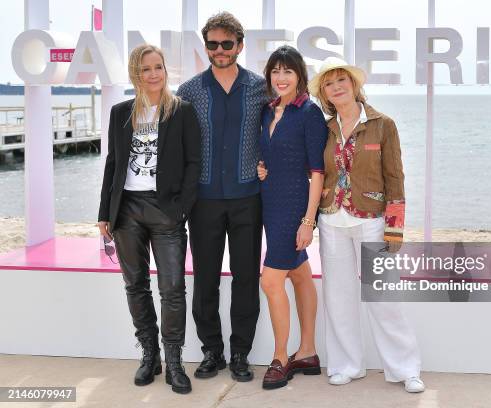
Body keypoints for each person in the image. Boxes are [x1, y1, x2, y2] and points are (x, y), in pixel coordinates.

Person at [308, 57, 426, 393]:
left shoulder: (382, 124)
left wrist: (395, 226)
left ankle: (405, 368)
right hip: (332, 220)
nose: (337, 87)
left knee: (383, 296)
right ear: (325, 93)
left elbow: (395, 177)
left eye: (342, 80)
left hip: (373, 220)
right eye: (330, 84)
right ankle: (347, 365)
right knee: (338, 296)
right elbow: (316, 172)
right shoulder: (325, 129)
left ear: (355, 85)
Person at [97, 44, 200, 394]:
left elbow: (193, 164)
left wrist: (181, 208)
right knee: (135, 285)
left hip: (165, 210)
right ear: (135, 74)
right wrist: (103, 214)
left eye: (158, 67)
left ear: (165, 71)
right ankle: (150, 354)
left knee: (173, 289)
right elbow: (112, 164)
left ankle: (174, 361)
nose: (153, 74)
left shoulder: (181, 112)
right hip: (126, 209)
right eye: (146, 69)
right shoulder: (120, 112)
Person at [176, 11, 269, 382]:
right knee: (206, 279)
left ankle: (241, 354)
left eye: (226, 44)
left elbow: (277, 134)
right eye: (212, 44)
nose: (219, 50)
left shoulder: (262, 88)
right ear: (206, 47)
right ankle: (211, 352)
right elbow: (178, 146)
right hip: (204, 201)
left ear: (239, 46)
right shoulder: (189, 92)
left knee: (246, 277)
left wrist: (269, 165)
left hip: (249, 197)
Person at [256, 45, 327, 390]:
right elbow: (272, 155)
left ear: (299, 75)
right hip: (269, 204)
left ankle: (282, 357)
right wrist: (262, 169)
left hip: (294, 208)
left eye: (288, 71)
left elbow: (317, 171)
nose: (280, 78)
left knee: (270, 282)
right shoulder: (269, 111)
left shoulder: (309, 113)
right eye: (275, 71)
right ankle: (309, 351)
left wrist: (308, 220)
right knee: (299, 275)